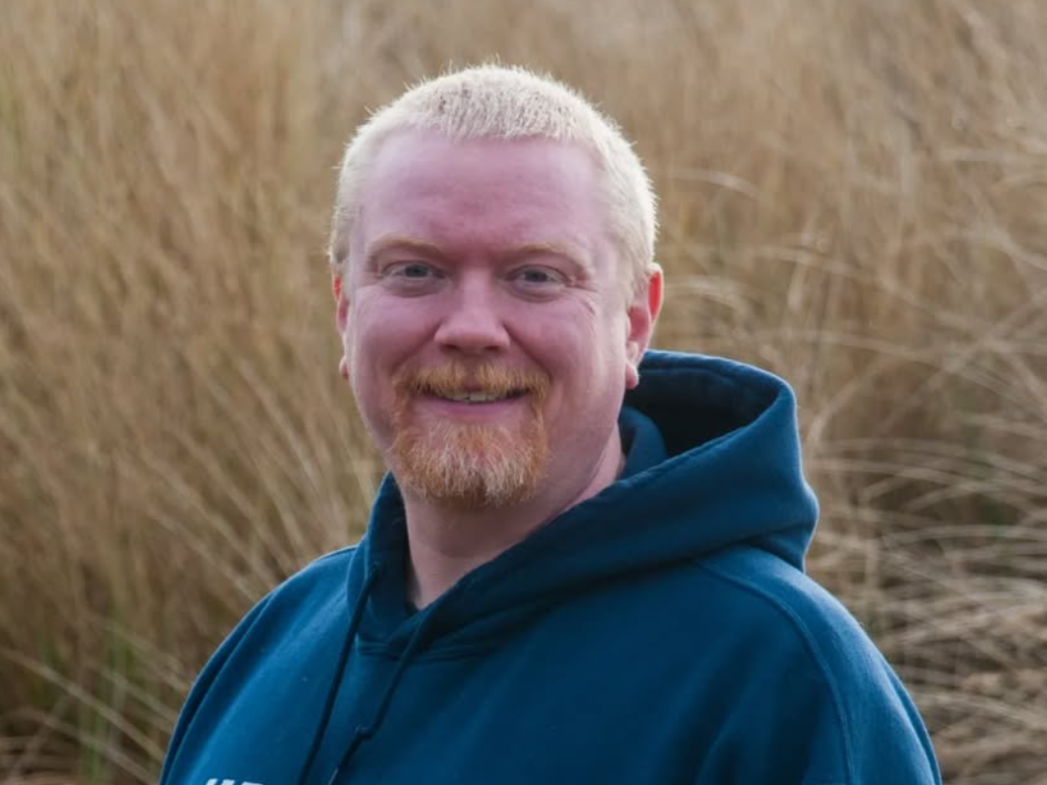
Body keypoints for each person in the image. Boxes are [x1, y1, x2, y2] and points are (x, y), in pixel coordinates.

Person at [160, 65, 941, 785]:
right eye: (414, 271)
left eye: (534, 276)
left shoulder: (777, 677)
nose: (471, 327)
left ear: (634, 322)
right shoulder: (276, 639)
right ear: (344, 310)